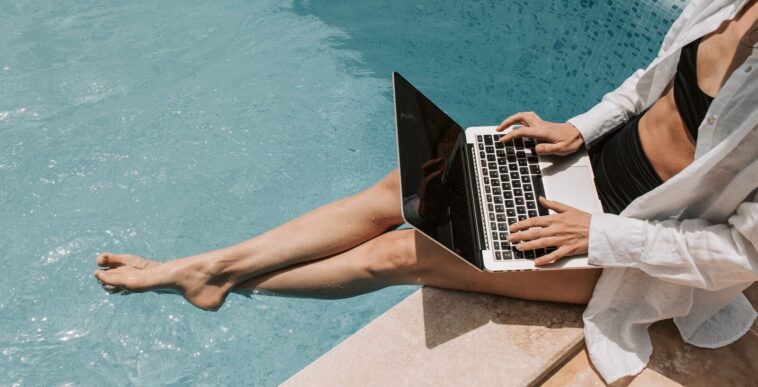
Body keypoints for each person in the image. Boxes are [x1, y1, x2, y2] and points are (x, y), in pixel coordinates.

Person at [95, 0, 758, 382]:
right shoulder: (726, 4)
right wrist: (576, 128)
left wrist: (597, 234)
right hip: (584, 172)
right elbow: (648, 84)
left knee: (406, 253)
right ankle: (208, 269)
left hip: (631, 248)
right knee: (406, 185)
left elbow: (742, 254)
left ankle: (214, 276)